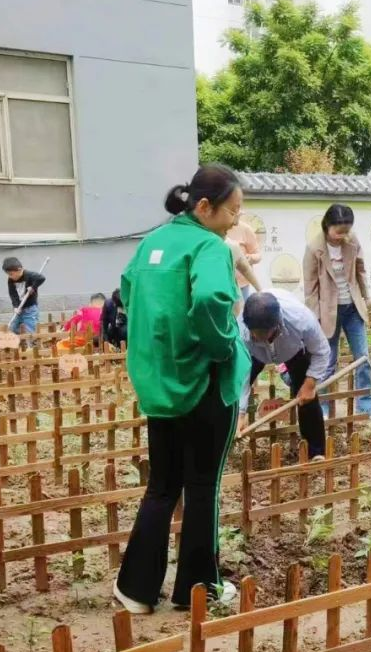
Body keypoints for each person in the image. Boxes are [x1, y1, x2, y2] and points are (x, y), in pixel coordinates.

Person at [113, 163, 250, 615]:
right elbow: (212, 300)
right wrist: (223, 342)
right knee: (202, 485)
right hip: (205, 384)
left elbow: (128, 292)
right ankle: (200, 587)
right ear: (206, 207)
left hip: (161, 384)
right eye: (232, 211)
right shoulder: (209, 246)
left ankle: (135, 590)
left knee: (162, 486)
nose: (236, 221)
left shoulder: (152, 243)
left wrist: (162, 339)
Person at [303, 204, 371, 422]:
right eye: (338, 231)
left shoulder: (352, 241)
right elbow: (310, 288)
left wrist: (367, 298)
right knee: (327, 361)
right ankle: (322, 408)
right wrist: (314, 317)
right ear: (327, 226)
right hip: (327, 311)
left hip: (352, 308)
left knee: (363, 358)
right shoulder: (314, 248)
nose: (342, 235)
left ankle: (366, 406)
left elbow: (360, 271)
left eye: (346, 230)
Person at [239, 290, 332, 459]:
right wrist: (240, 412)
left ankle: (315, 452)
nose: (254, 336)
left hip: (293, 350)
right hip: (254, 355)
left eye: (260, 334)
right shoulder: (241, 329)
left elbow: (322, 351)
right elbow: (241, 378)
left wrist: (310, 384)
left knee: (307, 399)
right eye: (252, 332)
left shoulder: (301, 319)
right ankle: (229, 438)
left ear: (275, 326)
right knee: (232, 394)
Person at [3, 257, 46, 336]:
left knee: (30, 328)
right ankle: (18, 343)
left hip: (30, 308)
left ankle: (31, 345)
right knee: (14, 327)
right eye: (8, 274)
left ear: (19, 269)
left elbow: (41, 278)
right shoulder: (11, 280)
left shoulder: (29, 275)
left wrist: (33, 287)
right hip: (19, 308)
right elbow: (13, 294)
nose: (10, 276)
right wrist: (15, 306)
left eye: (11, 274)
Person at [227, 221, 262, 300]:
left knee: (241, 311)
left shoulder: (245, 229)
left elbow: (257, 255)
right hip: (222, 284)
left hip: (242, 284)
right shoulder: (211, 231)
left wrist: (251, 258)